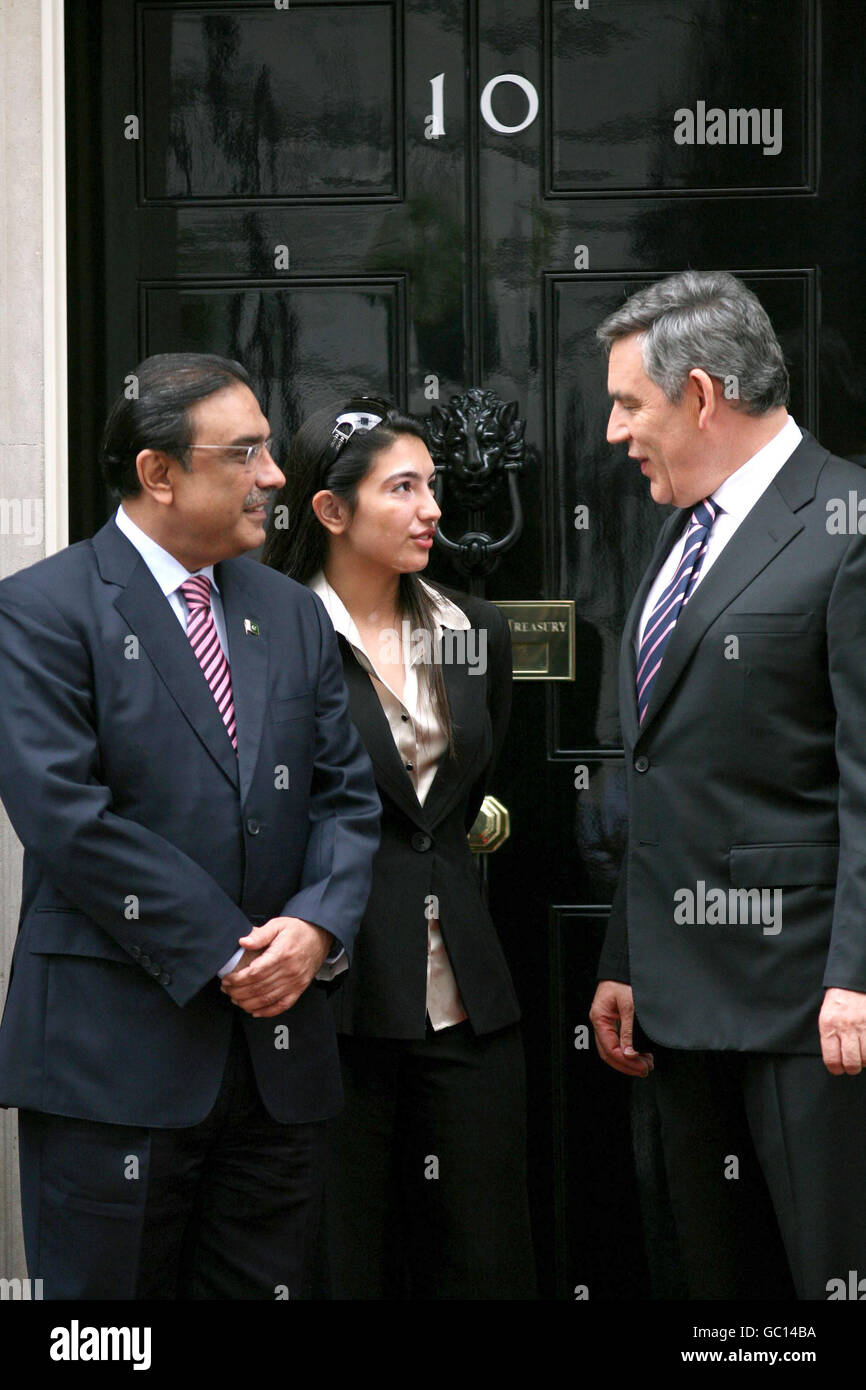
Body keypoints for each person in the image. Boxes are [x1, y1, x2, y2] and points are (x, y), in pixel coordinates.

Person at [0, 354, 381, 1299]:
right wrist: (234, 951)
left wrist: (317, 928)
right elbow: (65, 816)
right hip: (111, 1067)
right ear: (158, 474)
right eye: (245, 453)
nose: (275, 475)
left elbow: (345, 797)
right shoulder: (43, 611)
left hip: (277, 1070)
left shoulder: (292, 614)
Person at [589, 271, 866, 1300]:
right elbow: (660, 766)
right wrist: (625, 954)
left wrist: (857, 974)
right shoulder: (677, 531)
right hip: (674, 1006)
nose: (614, 430)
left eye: (628, 403)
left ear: (699, 395)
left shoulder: (847, 522)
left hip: (810, 1010)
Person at [263, 397, 536, 1299]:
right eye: (405, 488)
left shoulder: (476, 632)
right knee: (338, 1255)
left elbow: (464, 801)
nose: (432, 511)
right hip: (332, 995)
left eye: (435, 488)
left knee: (485, 1250)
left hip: (465, 992)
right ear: (332, 510)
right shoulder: (271, 638)